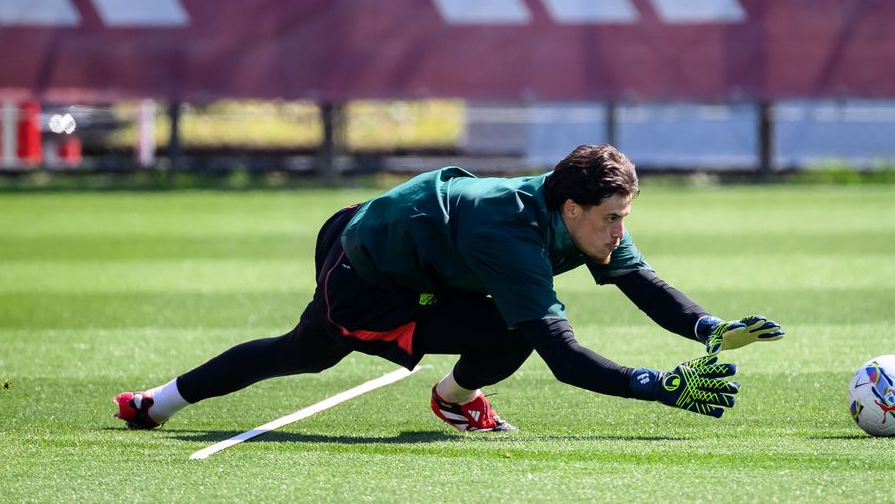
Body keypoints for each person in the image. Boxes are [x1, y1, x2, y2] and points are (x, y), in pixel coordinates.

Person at [115, 144, 783, 433]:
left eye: (624, 218)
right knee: (311, 350)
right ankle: (154, 404)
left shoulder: (576, 218)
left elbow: (640, 280)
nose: (619, 232)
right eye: (612, 219)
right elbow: (565, 359)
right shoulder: (512, 235)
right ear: (573, 209)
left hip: (393, 242)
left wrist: (709, 330)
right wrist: (658, 386)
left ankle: (153, 403)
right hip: (368, 280)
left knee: (505, 326)